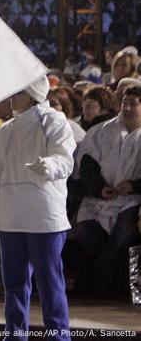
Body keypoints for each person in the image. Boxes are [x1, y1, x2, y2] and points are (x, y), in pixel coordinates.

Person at [0, 76, 75, 340]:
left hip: (44, 215)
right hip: (10, 218)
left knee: (50, 283)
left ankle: (58, 336)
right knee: (15, 285)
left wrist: (50, 165)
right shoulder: (3, 131)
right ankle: (15, 335)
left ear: (33, 94)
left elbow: (65, 159)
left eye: (18, 93)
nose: (12, 98)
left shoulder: (53, 121)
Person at [71, 84, 141, 296]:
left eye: (133, 104)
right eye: (125, 103)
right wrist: (100, 188)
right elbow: (87, 165)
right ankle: (114, 282)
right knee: (84, 230)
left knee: (121, 238)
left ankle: (103, 288)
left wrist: (134, 186)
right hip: (100, 199)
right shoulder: (102, 131)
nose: (127, 108)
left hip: (133, 201)